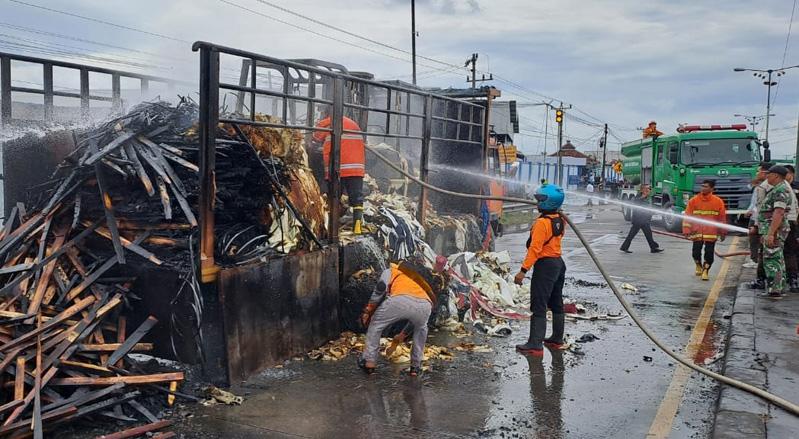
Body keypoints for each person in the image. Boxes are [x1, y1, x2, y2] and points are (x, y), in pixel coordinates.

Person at [358, 255, 448, 376]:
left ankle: (369, 362)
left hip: (399, 300)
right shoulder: (416, 278)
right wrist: (402, 335)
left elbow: (381, 288)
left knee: (376, 324)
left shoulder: (392, 270)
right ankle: (415, 368)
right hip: (425, 305)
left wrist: (368, 310)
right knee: (421, 329)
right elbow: (414, 313)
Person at [513, 184, 566, 357]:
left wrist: (523, 271)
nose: (537, 203)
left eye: (541, 200)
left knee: (539, 304)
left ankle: (535, 344)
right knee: (556, 302)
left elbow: (534, 249)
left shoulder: (542, 223)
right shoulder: (560, 219)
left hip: (545, 266)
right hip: (558, 263)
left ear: (548, 202)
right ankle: (557, 339)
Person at [312, 109, 366, 234]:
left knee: (335, 195)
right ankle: (357, 227)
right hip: (357, 167)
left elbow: (315, 137)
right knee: (357, 196)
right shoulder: (353, 124)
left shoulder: (328, 122)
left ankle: (332, 227)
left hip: (339, 167)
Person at [757, 165, 792, 298]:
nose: (767, 176)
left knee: (772, 258)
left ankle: (774, 290)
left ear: (776, 175)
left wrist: (771, 233)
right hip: (772, 229)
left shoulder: (780, 190)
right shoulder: (777, 189)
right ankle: (778, 287)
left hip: (775, 230)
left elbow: (779, 212)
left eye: (769, 174)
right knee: (778, 258)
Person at [683, 180, 727, 281]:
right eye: (702, 186)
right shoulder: (693, 201)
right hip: (696, 232)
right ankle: (698, 265)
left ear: (712, 189)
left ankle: (705, 271)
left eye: (706, 186)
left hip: (710, 233)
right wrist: (686, 229)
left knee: (709, 253)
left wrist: (723, 232)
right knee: (695, 253)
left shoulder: (718, 201)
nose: (703, 188)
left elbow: (722, 218)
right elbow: (688, 216)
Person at [743, 162, 772, 276]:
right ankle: (754, 259)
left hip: (759, 218)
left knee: (757, 239)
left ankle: (756, 261)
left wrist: (755, 222)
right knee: (753, 239)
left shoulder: (766, 187)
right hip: (755, 216)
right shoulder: (759, 185)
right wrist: (749, 210)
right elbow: (754, 202)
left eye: (758, 171)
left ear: (765, 173)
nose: (756, 173)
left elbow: (761, 204)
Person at [619, 184, 663, 254]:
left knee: (649, 235)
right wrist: (643, 197)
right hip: (638, 221)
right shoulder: (639, 197)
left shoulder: (647, 198)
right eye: (648, 189)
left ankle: (653, 248)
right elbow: (636, 203)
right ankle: (624, 247)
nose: (649, 190)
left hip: (644, 220)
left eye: (649, 189)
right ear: (643, 190)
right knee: (631, 235)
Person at [786, 165, 799, 291]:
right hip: (781, 224)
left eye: (788, 173)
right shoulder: (777, 188)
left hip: (793, 224)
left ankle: (793, 279)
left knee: (792, 252)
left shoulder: (796, 187)